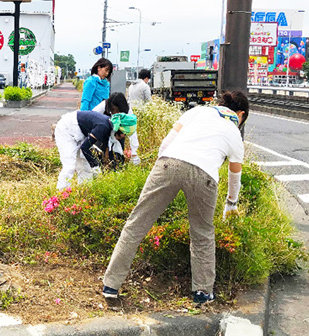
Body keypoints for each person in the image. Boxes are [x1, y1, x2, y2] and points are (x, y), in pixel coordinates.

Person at [102, 91, 249, 304]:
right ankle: (202, 293)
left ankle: (111, 285)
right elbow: (235, 174)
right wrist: (231, 203)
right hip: (205, 175)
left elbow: (166, 143)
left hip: (168, 162)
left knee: (136, 224)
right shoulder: (234, 132)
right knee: (202, 234)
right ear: (241, 113)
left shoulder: (198, 111)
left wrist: (159, 171)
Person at [55, 110, 137, 190]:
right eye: (124, 134)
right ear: (119, 129)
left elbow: (107, 151)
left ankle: (85, 192)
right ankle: (61, 194)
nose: (123, 137)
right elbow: (85, 147)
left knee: (85, 165)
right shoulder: (103, 127)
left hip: (80, 131)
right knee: (70, 166)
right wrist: (95, 166)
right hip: (66, 129)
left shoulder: (110, 128)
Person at [126, 68, 152, 165]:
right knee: (140, 133)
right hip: (141, 112)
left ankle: (132, 152)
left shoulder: (131, 86)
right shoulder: (145, 86)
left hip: (131, 112)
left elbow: (128, 99)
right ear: (146, 78)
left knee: (133, 134)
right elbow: (148, 101)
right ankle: (138, 153)